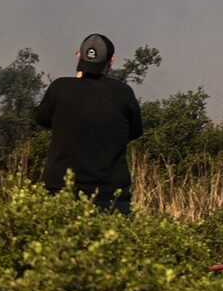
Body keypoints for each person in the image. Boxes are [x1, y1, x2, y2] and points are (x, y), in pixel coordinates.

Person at [34, 33, 143, 214]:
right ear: (111, 61)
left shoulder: (60, 88)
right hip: (111, 198)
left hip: (61, 195)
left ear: (79, 56)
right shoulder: (124, 93)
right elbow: (135, 132)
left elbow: (42, 120)